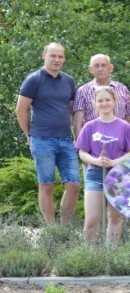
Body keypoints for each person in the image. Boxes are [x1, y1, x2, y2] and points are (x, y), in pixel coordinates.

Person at [15, 42, 81, 225]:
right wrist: (29, 135)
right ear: (44, 56)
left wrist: (77, 136)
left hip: (66, 139)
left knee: (74, 184)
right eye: (53, 55)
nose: (57, 59)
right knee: (46, 184)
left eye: (60, 56)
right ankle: (52, 230)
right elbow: (21, 111)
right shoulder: (33, 79)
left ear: (64, 59)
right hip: (42, 139)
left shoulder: (68, 80)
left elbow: (71, 111)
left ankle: (64, 227)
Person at [76, 86, 130, 244]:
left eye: (107, 100)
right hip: (95, 174)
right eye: (100, 100)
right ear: (94, 103)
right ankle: (89, 255)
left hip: (118, 174)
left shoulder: (124, 126)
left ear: (114, 102)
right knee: (92, 218)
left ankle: (111, 253)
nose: (104, 103)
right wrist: (97, 161)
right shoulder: (89, 126)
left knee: (115, 216)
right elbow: (82, 152)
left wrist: (114, 162)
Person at [73, 54, 130, 138]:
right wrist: (79, 144)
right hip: (93, 141)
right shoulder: (83, 91)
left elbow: (129, 118)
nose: (100, 69)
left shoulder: (123, 89)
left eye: (103, 65)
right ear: (90, 69)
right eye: (96, 66)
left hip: (120, 140)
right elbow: (77, 123)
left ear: (110, 68)